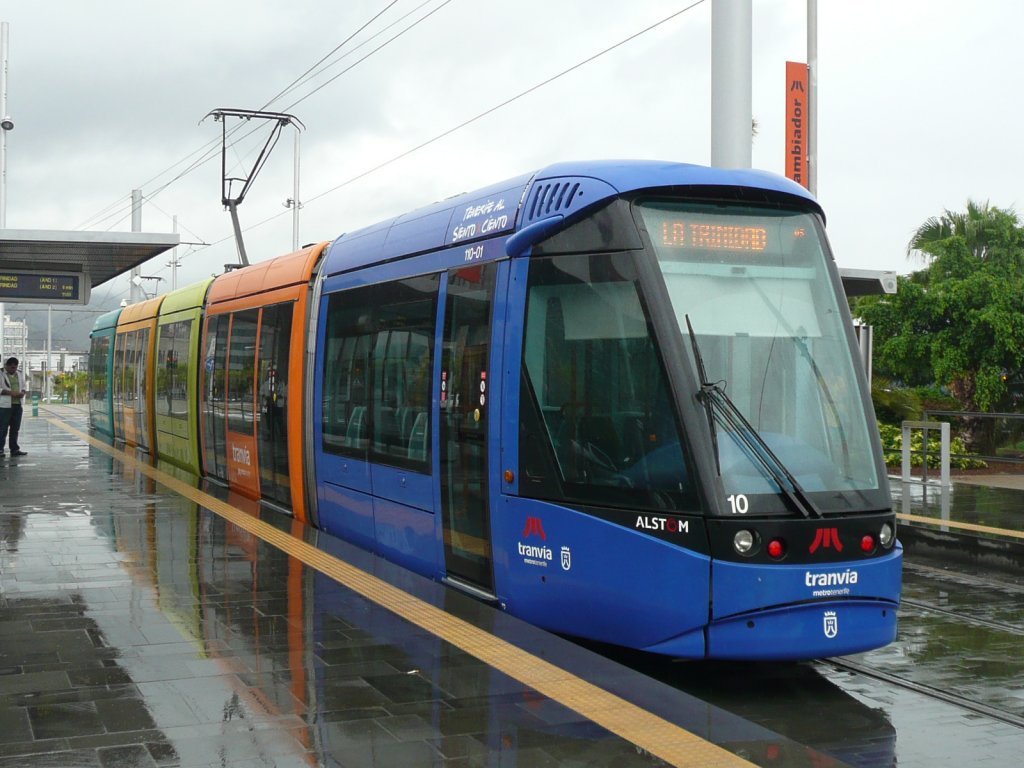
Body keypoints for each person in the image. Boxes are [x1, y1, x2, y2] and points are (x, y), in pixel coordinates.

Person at [0, 357, 28, 457]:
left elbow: (24, 386)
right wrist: (11, 393)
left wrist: (22, 392)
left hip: (17, 405)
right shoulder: (1, 373)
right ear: (6, 366)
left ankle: (14, 449)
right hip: (4, 406)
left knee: (15, 428)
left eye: (15, 367)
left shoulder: (19, 374)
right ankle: (0, 449)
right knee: (3, 428)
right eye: (11, 367)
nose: (13, 369)